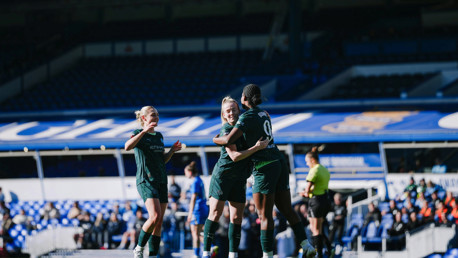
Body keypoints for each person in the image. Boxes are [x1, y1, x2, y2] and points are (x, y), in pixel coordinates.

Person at [213, 84, 315, 258]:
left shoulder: (247, 117)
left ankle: (267, 255)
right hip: (279, 161)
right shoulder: (263, 113)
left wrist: (215, 139)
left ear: (244, 99)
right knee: (286, 208)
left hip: (264, 166)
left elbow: (229, 139)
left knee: (264, 215)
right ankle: (306, 245)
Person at [203, 96, 269, 258]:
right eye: (228, 111)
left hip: (239, 178)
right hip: (223, 177)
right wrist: (256, 147)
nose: (231, 113)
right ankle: (205, 252)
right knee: (215, 214)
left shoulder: (244, 127)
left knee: (237, 217)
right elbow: (235, 156)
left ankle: (233, 254)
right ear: (223, 114)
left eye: (234, 109)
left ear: (239, 110)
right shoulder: (226, 130)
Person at [125, 105, 182, 258]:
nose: (156, 117)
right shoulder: (138, 133)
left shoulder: (159, 136)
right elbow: (127, 147)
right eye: (152, 114)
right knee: (154, 216)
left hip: (161, 180)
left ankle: (153, 255)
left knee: (159, 222)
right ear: (144, 118)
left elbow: (161, 160)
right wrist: (144, 131)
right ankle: (139, 247)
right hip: (146, 180)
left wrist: (171, 151)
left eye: (157, 114)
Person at [300, 147, 332, 258]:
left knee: (315, 230)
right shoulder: (324, 169)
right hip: (325, 200)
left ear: (312, 160)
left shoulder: (314, 170)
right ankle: (328, 248)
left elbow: (308, 188)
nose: (307, 164)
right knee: (319, 229)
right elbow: (317, 185)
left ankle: (318, 254)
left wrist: (304, 193)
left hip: (316, 201)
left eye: (307, 162)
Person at [184, 161, 209, 258]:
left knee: (195, 234)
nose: (185, 174)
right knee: (200, 233)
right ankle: (210, 247)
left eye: (185, 172)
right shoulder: (200, 180)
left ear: (190, 172)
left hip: (197, 210)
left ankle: (196, 254)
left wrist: (190, 213)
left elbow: (193, 198)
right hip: (203, 208)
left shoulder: (194, 182)